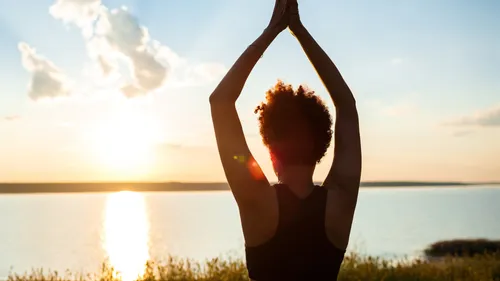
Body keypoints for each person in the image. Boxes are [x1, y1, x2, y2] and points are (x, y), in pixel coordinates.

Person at [209, 0, 361, 280]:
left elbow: (220, 101)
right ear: (322, 143)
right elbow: (346, 106)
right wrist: (300, 31)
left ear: (270, 146)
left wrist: (272, 30)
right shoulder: (340, 200)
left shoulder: (257, 199)